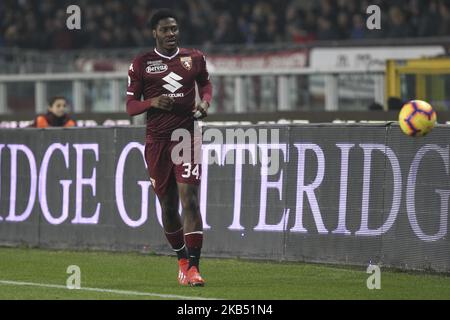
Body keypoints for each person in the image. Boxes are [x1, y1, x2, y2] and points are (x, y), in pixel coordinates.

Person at [126, 9, 212, 287]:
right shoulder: (141, 63)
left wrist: (205, 103)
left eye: (174, 29)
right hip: (157, 142)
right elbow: (130, 106)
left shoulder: (194, 58)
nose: (171, 34)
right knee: (168, 204)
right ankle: (182, 261)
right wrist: (150, 103)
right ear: (154, 32)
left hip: (186, 137)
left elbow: (206, 84)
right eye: (165, 30)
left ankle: (195, 268)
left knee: (190, 199)